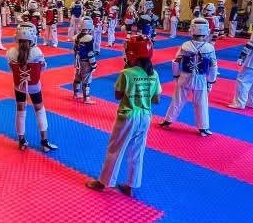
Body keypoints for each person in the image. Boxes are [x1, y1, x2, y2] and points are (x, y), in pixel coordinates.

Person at [86, 36, 160, 196]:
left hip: (128, 116)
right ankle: (131, 186)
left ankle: (103, 182)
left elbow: (118, 95)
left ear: (132, 54)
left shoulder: (127, 73)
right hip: (145, 116)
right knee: (137, 152)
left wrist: (132, 85)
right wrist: (143, 93)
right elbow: (156, 99)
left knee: (115, 149)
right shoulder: (154, 74)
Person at [160, 17, 217, 135]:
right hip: (201, 79)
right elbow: (213, 66)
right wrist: (210, 81)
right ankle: (203, 128)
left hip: (185, 77)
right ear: (206, 31)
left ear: (192, 29)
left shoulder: (185, 45)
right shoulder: (209, 48)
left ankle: (167, 121)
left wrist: (176, 75)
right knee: (201, 103)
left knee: (177, 100)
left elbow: (176, 62)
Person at [6, 22, 58, 152]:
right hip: (34, 85)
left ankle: (22, 141)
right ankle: (44, 142)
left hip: (19, 85)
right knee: (39, 110)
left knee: (20, 110)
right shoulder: (37, 52)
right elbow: (43, 68)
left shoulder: (11, 53)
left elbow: (11, 68)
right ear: (33, 38)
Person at [73, 17, 98, 104]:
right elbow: (90, 53)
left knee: (78, 77)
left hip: (78, 60)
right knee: (86, 80)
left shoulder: (77, 37)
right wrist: (94, 64)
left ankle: (76, 94)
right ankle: (86, 99)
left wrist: (76, 61)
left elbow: (75, 50)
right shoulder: (89, 38)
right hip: (86, 62)